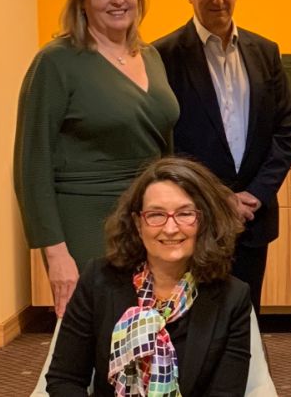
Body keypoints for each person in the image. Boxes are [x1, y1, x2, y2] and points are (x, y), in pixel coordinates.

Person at [14, 0, 179, 317]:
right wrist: (55, 253)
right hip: (87, 221)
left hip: (148, 217)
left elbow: (163, 143)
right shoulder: (57, 61)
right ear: (82, 1)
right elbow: (31, 164)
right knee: (94, 337)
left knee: (149, 334)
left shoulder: (150, 55)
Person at [153, 0, 291, 313]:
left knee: (246, 319)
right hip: (191, 217)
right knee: (191, 321)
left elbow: (284, 130)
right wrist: (217, 198)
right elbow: (165, 141)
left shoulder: (266, 52)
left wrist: (254, 195)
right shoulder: (163, 56)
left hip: (253, 218)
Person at [46, 157, 251, 395]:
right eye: (156, 215)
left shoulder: (232, 297)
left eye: (185, 214)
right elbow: (64, 379)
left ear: (204, 219)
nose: (171, 228)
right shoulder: (98, 280)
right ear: (137, 223)